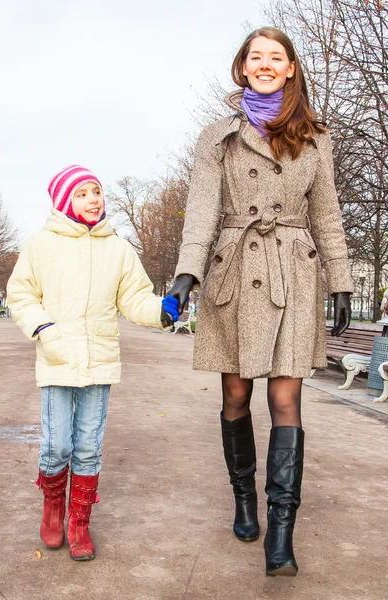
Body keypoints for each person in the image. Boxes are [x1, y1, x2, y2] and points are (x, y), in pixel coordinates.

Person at [163, 27, 353, 577]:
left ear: (291, 68)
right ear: (242, 67)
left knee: (287, 399)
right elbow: (201, 210)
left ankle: (282, 529)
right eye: (256, 57)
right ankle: (244, 498)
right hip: (235, 266)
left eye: (276, 57)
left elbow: (328, 214)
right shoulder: (216, 137)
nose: (266, 65)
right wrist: (186, 273)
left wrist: (340, 279)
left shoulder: (316, 137)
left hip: (293, 270)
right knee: (236, 393)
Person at [7, 165, 179, 561]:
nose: (93, 199)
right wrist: (45, 331)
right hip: (57, 355)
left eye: (97, 192)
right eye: (83, 193)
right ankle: (52, 508)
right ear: (66, 200)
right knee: (56, 446)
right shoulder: (40, 244)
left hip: (99, 358)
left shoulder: (117, 247)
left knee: (87, 446)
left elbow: (133, 297)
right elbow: (20, 295)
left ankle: (78, 522)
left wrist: (161, 311)